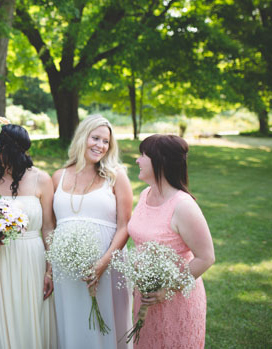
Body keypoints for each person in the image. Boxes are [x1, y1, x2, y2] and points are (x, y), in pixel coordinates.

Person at [51, 114, 133, 349]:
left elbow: (125, 226)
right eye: (95, 138)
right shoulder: (59, 176)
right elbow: (54, 225)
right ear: (81, 137)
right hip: (67, 269)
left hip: (107, 266)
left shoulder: (116, 176)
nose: (100, 145)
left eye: (106, 141)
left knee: (106, 325)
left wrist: (102, 263)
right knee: (74, 325)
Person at [128, 134, 214, 349]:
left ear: (160, 161)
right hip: (146, 296)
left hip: (176, 299)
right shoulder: (145, 194)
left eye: (143, 155)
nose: (137, 160)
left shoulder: (183, 206)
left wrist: (168, 289)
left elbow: (206, 257)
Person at [0, 118, 57, 348]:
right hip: (1, 260)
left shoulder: (42, 179)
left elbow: (48, 226)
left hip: (32, 257)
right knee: (3, 312)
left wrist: (49, 271)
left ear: (9, 147)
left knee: (32, 312)